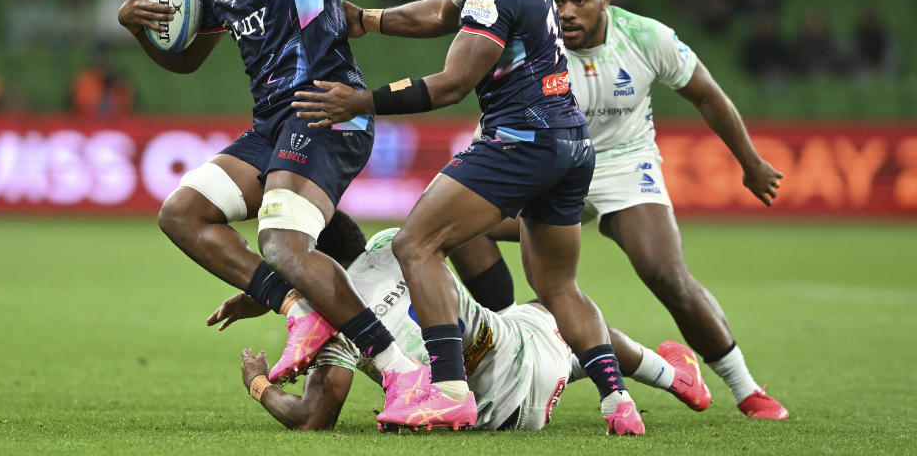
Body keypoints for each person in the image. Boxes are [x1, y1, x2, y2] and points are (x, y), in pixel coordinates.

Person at [291, 0, 644, 435]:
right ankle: (617, 403)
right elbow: (441, 14)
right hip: (570, 143)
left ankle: (449, 392)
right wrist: (371, 21)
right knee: (557, 288)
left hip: (521, 140)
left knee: (415, 244)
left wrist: (361, 101)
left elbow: (454, 83)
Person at [116, 0, 455, 410]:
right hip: (273, 123)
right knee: (181, 213)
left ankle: (401, 373)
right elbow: (187, 63)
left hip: (326, 105)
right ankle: (297, 308)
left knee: (281, 242)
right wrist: (141, 32)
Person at [456, 0, 789, 419]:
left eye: (580, 1)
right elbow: (495, 122)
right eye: (558, 0)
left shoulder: (647, 37)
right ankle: (524, 337)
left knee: (665, 273)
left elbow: (706, 94)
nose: (566, 11)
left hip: (623, 166)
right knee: (460, 226)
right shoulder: (531, 41)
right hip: (550, 165)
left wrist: (750, 162)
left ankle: (745, 387)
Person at [210, 211, 710, 431]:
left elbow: (314, 417)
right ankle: (675, 377)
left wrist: (258, 383)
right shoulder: (392, 243)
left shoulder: (332, 322)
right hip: (533, 360)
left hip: (497, 421)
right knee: (553, 312)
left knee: (534, 321)